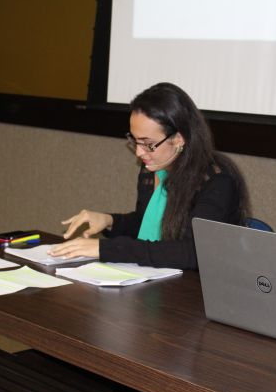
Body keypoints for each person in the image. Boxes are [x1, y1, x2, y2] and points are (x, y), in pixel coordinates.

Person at [48, 82, 249, 269]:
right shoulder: (152, 169)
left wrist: (107, 248)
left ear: (179, 139)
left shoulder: (217, 181)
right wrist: (109, 220)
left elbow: (193, 252)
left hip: (198, 288)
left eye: (148, 144)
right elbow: (148, 225)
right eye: (135, 141)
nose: (139, 152)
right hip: (157, 279)